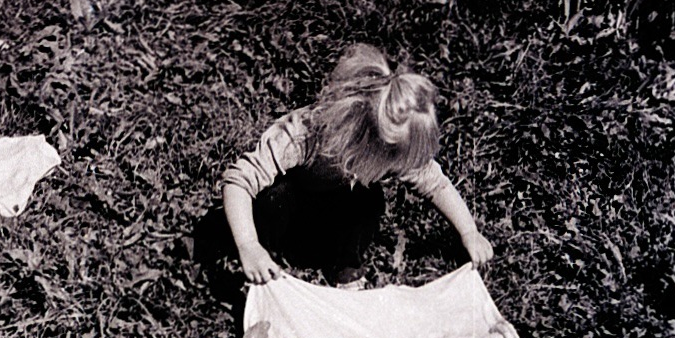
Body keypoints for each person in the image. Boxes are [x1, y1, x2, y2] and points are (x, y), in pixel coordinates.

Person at [198, 45, 494, 287]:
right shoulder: (305, 135)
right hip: (287, 206)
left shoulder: (388, 150)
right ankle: (258, 251)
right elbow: (238, 181)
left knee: (367, 200)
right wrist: (249, 245)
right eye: (391, 161)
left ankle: (344, 261)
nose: (397, 168)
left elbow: (435, 183)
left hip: (328, 212)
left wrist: (469, 231)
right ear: (363, 141)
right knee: (274, 197)